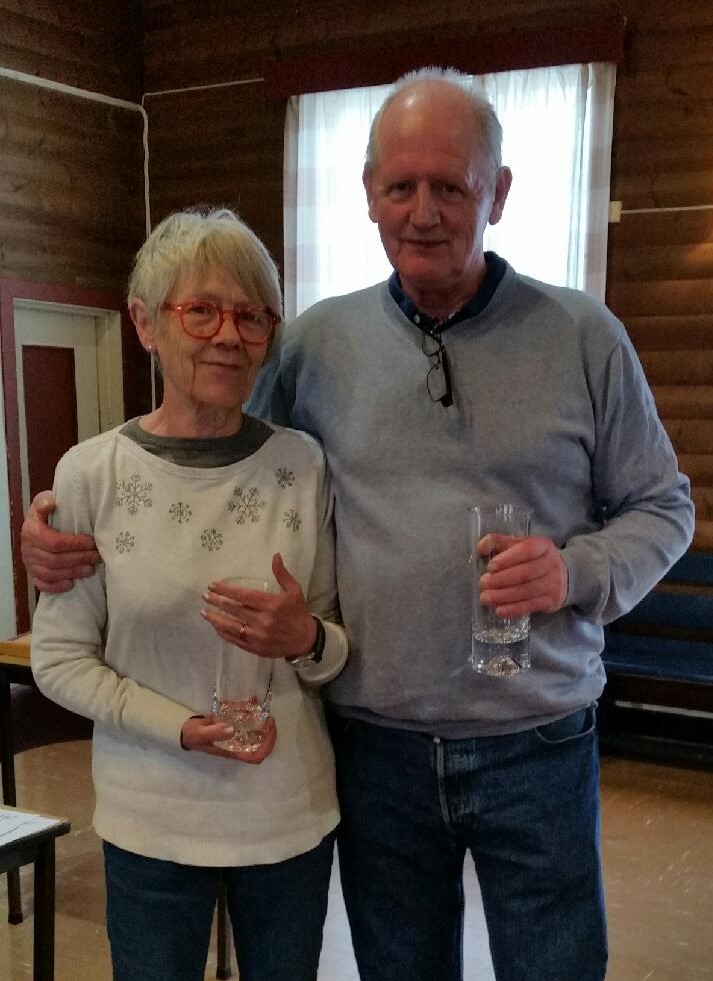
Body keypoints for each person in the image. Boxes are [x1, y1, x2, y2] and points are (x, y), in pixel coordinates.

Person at [23, 69, 694, 981]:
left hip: (535, 741)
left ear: (496, 193)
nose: (423, 212)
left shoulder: (583, 335)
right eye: (400, 186)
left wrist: (573, 572)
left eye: (450, 186)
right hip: (376, 747)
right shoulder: (314, 343)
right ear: (369, 194)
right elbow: (217, 456)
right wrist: (64, 533)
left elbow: (663, 507)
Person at [28, 207, 348, 981]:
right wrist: (179, 727)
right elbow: (59, 659)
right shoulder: (91, 473)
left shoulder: (302, 465)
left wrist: (305, 638)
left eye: (251, 315)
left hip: (286, 815)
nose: (228, 336)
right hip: (152, 819)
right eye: (200, 310)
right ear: (145, 322)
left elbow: (334, 644)